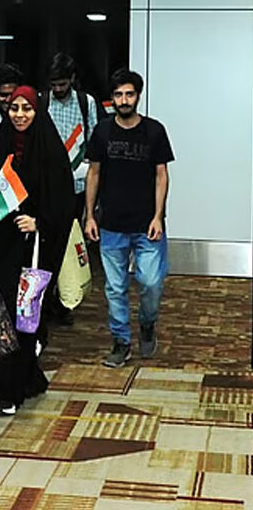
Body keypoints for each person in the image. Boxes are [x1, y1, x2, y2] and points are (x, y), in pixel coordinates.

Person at [0, 85, 74, 416]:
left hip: (32, 250)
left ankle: (13, 387)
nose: (19, 115)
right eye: (14, 108)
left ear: (37, 111)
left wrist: (39, 221)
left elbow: (63, 201)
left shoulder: (49, 150)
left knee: (23, 319)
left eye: (26, 108)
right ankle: (1, 383)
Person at [85, 68, 174, 368]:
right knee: (115, 288)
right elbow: (93, 174)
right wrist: (89, 216)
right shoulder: (102, 132)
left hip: (148, 225)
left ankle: (147, 323)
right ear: (112, 98)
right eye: (118, 95)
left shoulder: (154, 131)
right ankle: (120, 342)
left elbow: (162, 175)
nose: (124, 100)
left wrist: (158, 216)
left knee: (151, 283)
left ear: (138, 96)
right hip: (111, 224)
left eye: (129, 94)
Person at [41, 53, 104, 325]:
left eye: (62, 84)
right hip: (47, 187)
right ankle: (47, 300)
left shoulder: (86, 103)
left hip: (78, 186)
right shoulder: (43, 102)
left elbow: (95, 143)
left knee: (69, 244)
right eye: (54, 84)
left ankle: (64, 301)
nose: (58, 89)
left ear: (73, 80)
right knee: (47, 246)